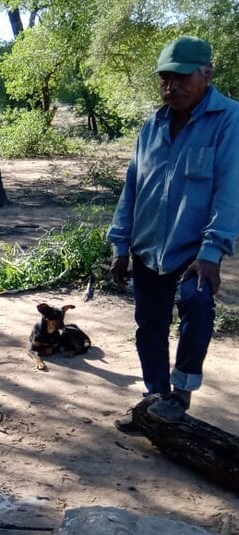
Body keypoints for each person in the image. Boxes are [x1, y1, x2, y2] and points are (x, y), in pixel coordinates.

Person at [108, 36, 239, 427]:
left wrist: (212, 251)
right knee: (149, 325)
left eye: (182, 78)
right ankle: (154, 399)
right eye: (165, 79)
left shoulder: (229, 120)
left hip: (194, 250)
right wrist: (119, 243)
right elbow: (132, 187)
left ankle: (180, 394)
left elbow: (230, 192)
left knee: (197, 307)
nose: (172, 87)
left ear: (206, 74)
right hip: (148, 245)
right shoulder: (152, 125)